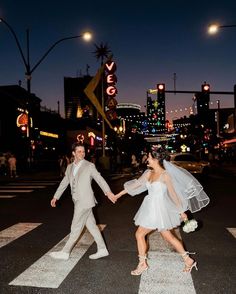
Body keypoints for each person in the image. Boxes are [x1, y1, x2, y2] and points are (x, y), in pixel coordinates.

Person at [115, 148, 210, 275]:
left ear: (156, 159)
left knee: (141, 234)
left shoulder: (165, 175)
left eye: (148, 157)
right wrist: (118, 195)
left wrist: (182, 211)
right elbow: (135, 185)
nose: (146, 159)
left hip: (160, 209)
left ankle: (142, 264)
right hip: (150, 208)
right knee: (167, 236)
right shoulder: (148, 173)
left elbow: (173, 194)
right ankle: (188, 260)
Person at [50, 142, 117, 260]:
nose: (82, 153)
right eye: (79, 151)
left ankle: (65, 252)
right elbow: (64, 182)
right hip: (76, 200)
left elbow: (99, 179)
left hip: (85, 201)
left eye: (83, 151)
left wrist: (108, 192)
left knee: (75, 226)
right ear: (73, 153)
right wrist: (56, 196)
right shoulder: (70, 167)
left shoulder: (89, 165)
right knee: (92, 226)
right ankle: (102, 249)